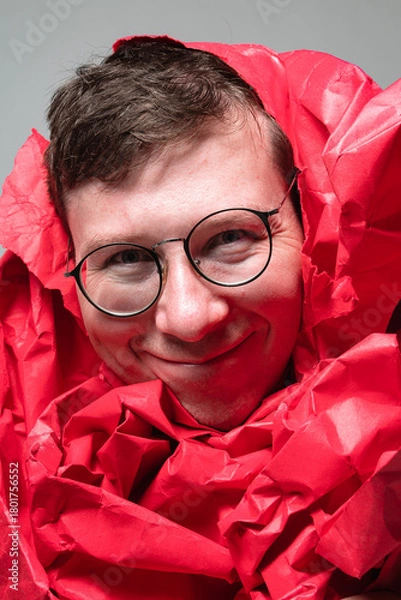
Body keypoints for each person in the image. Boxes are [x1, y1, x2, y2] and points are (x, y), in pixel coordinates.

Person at [0, 35, 401, 600]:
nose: (190, 319)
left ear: (309, 224)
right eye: (127, 259)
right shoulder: (15, 479)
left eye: (231, 238)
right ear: (69, 278)